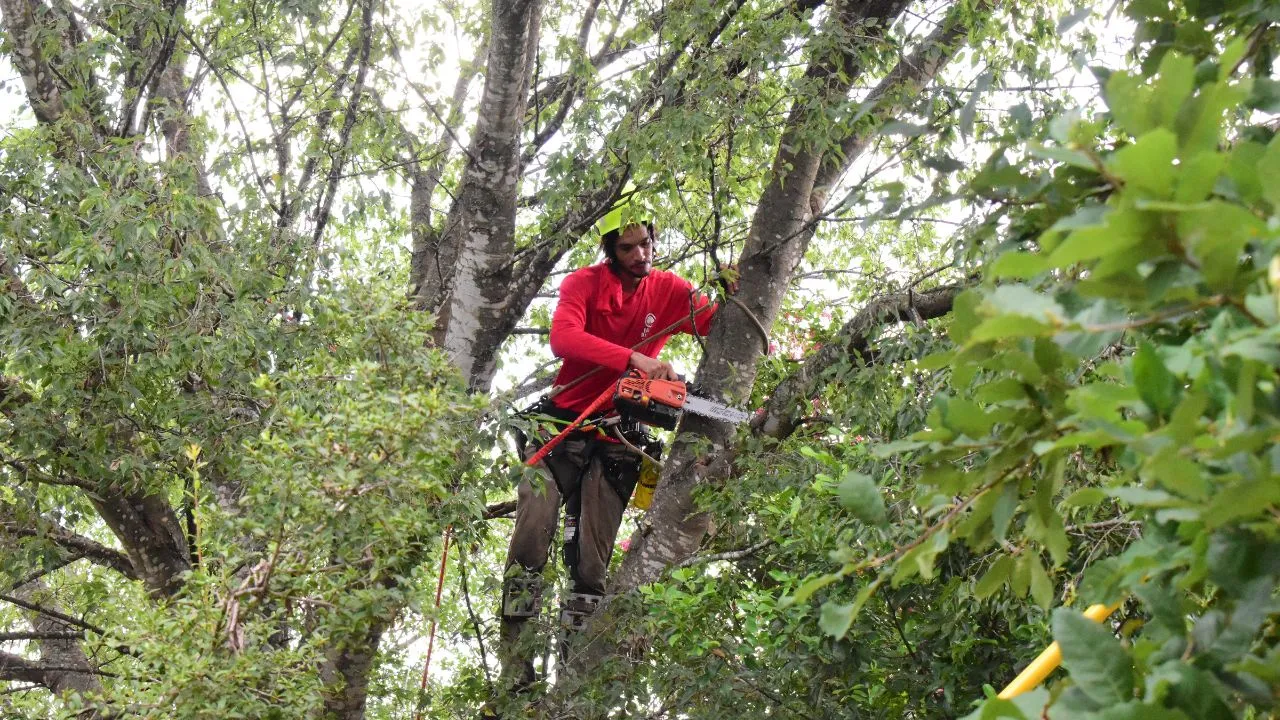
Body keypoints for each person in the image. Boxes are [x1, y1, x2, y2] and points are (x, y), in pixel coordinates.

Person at [495, 200, 719, 697]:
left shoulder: (671, 289)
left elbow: (717, 324)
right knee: (532, 540)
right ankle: (515, 682)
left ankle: (572, 690)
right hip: (560, 427)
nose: (641, 254)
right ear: (609, 251)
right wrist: (634, 357)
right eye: (628, 247)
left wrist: (733, 288)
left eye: (647, 243)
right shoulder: (583, 284)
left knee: (591, 568)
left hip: (615, 435)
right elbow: (563, 338)